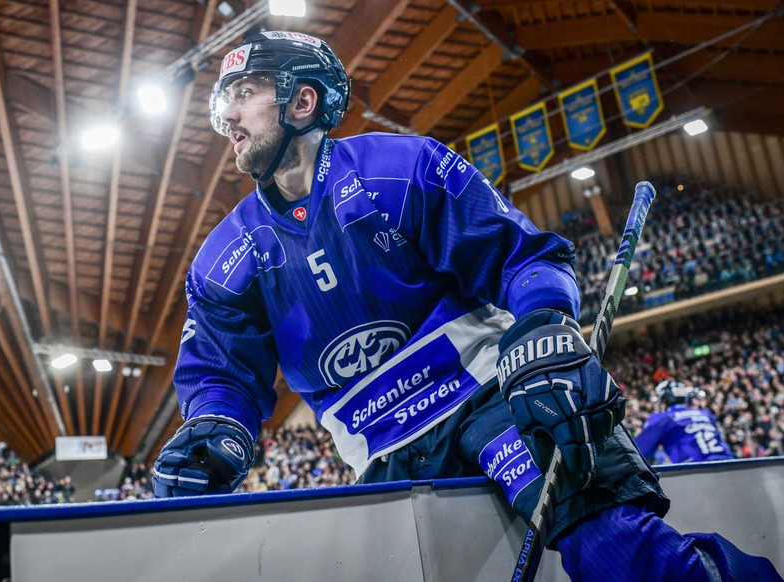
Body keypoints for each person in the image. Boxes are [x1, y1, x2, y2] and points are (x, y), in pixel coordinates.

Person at [152, 31, 781, 580]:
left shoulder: (401, 167)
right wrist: (219, 428)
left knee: (621, 554)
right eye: (221, 100)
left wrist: (541, 327)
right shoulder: (220, 259)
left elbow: (525, 260)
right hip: (379, 458)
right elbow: (220, 374)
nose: (225, 117)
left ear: (301, 100)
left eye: (243, 94)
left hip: (489, 402)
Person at [636, 379, 734, 464]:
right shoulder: (705, 414)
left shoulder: (663, 418)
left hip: (695, 470)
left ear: (664, 400)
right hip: (730, 462)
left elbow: (638, 453)